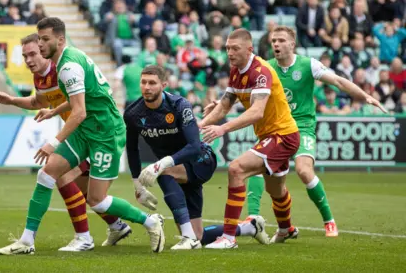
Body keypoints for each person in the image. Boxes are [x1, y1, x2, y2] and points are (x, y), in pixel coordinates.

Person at [0, 18, 165, 255]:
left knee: (97, 200)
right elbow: (74, 101)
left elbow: (80, 110)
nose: (40, 46)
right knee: (48, 174)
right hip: (85, 129)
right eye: (39, 39)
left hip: (105, 132)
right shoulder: (63, 62)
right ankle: (26, 241)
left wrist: (52, 143)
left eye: (44, 40)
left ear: (60, 40)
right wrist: (51, 110)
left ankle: (149, 221)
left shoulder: (67, 67)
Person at [240, 26, 386, 236]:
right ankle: (255, 217)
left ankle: (329, 221)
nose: (276, 45)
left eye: (281, 40)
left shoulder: (308, 65)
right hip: (278, 128)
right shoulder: (267, 68)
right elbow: (245, 93)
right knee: (259, 167)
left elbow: (337, 81)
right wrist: (221, 103)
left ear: (292, 44)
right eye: (273, 41)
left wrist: (365, 96)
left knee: (303, 170)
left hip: (302, 127)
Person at [125, 65, 269, 250]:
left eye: (152, 83)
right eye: (143, 82)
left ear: (164, 85)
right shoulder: (132, 113)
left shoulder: (179, 105)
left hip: (201, 160)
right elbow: (132, 149)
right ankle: (249, 227)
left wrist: (162, 164)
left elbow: (193, 146)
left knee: (164, 172)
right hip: (178, 168)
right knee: (199, 235)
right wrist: (138, 186)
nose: (147, 87)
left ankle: (187, 239)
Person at [199, 28, 300, 249]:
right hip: (273, 136)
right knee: (277, 191)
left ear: (249, 49)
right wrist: (200, 123)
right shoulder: (236, 71)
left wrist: (222, 129)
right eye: (227, 48)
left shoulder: (260, 71)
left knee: (236, 169)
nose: (230, 53)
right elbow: (224, 105)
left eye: (235, 48)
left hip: (282, 135)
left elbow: (256, 112)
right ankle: (286, 229)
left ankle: (228, 238)